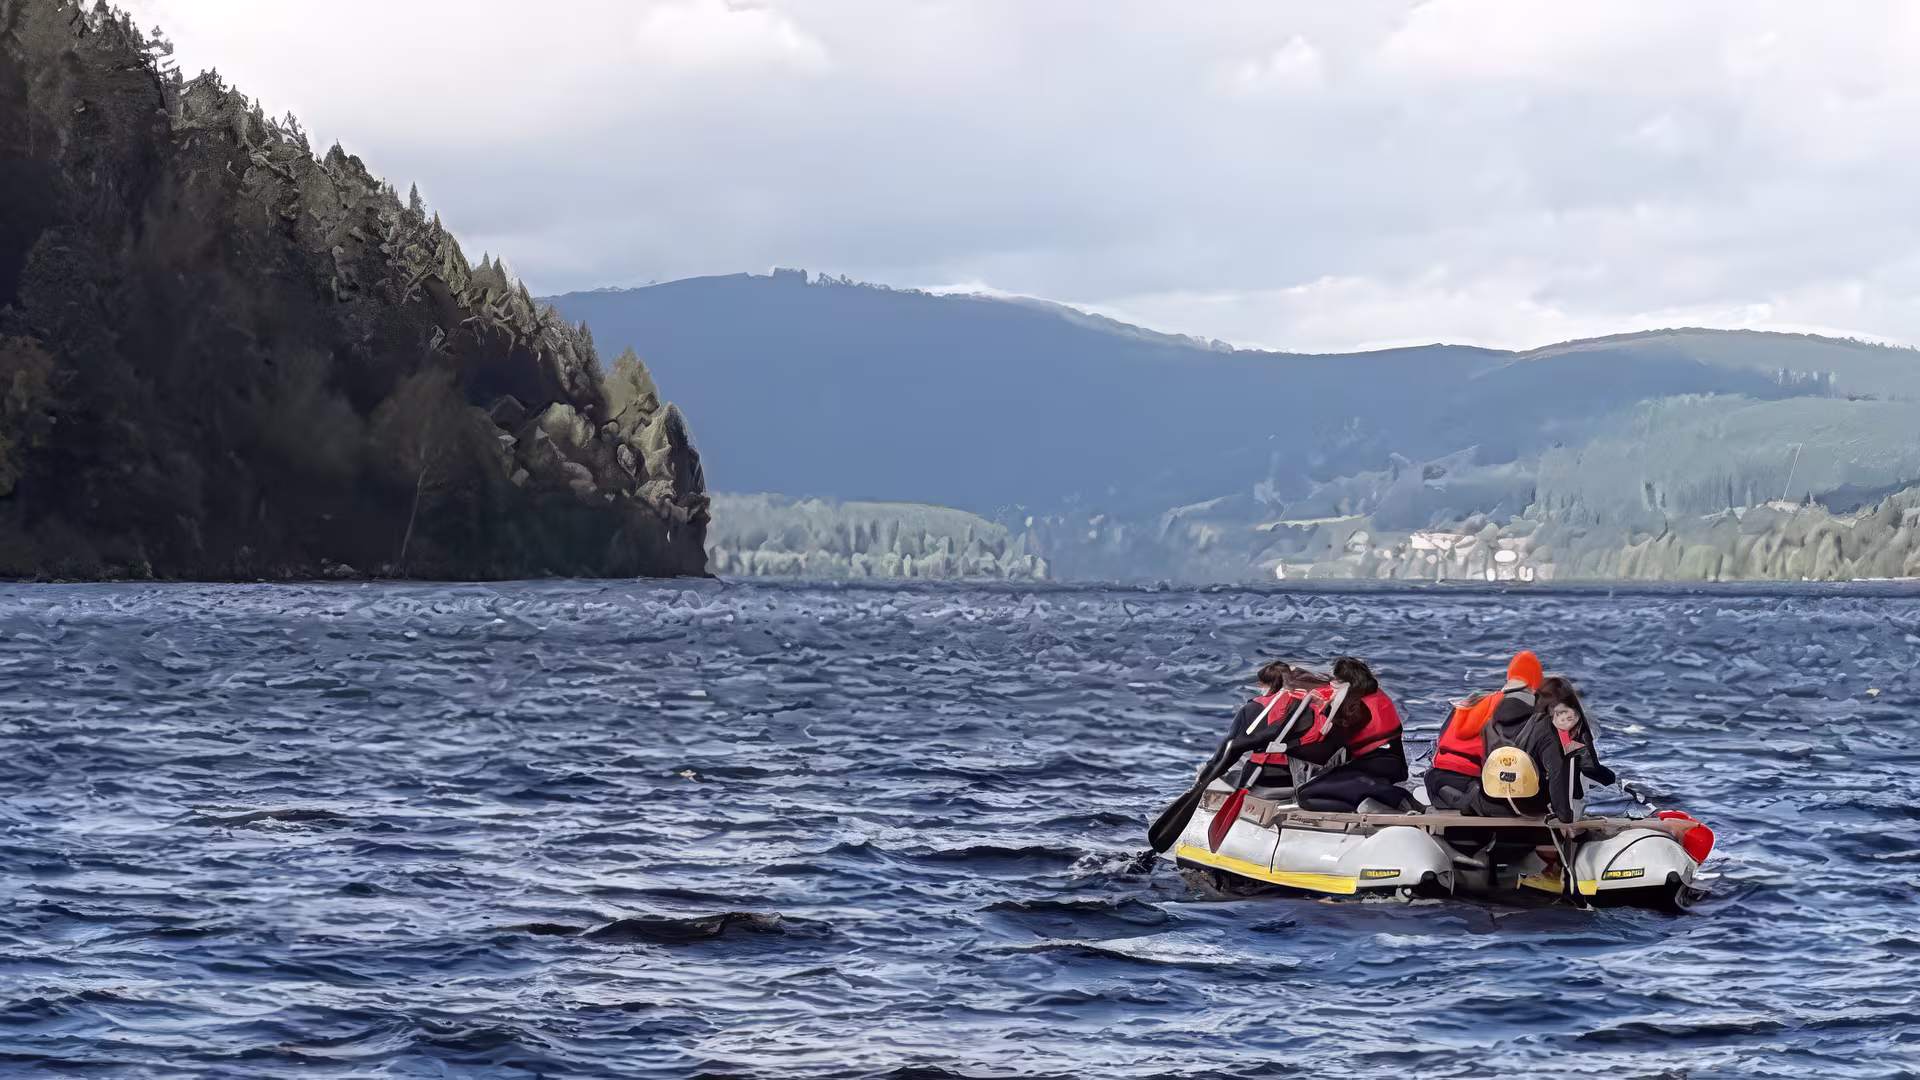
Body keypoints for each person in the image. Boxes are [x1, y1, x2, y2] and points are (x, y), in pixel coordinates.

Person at [1282, 657, 1414, 812]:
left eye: (1336, 680)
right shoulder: (1375, 695)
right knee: (1308, 792)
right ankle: (1374, 801)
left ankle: (1390, 800)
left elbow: (1328, 751)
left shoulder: (1357, 709)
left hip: (1372, 768)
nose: (1332, 684)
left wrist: (1287, 748)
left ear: (1347, 683)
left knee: (1305, 796)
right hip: (1390, 764)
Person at [1424, 650, 1542, 811]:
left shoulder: (1474, 701)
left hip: (1435, 778)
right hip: (1472, 785)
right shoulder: (1514, 705)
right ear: (1535, 683)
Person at [1459, 668, 1576, 823]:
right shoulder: (1552, 731)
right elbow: (1557, 772)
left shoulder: (1493, 722)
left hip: (1493, 797)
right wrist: (1565, 816)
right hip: (1528, 803)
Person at [1537, 675, 1617, 798]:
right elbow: (1589, 768)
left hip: (1532, 790)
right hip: (1562, 796)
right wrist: (1612, 778)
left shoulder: (1532, 722)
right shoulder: (1573, 726)